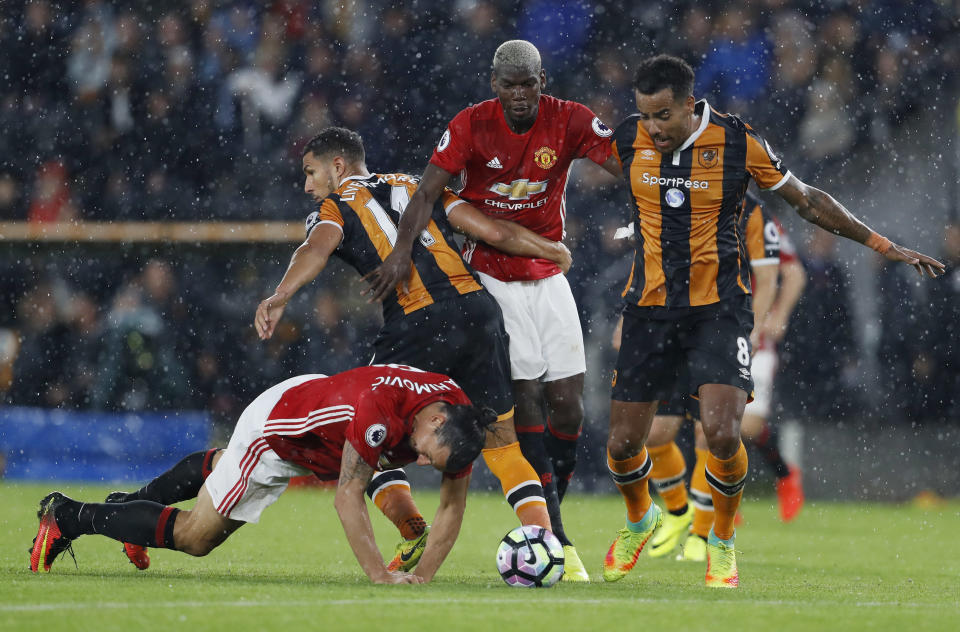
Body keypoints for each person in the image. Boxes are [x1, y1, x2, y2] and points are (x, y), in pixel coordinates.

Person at [602, 54, 944, 589]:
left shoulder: (739, 143)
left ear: (690, 106)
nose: (653, 128)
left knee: (720, 433)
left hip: (719, 311)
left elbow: (807, 201)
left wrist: (880, 242)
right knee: (623, 447)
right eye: (645, 116)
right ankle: (641, 516)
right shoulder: (628, 140)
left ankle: (720, 537)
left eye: (663, 116)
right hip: (648, 311)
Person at [254, 127, 570, 574]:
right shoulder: (416, 187)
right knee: (501, 442)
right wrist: (550, 249)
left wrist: (280, 295)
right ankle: (548, 547)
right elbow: (492, 230)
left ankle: (411, 527)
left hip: (418, 323)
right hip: (479, 311)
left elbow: (316, 247)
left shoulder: (335, 206)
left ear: (337, 167)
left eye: (310, 172)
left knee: (364, 433)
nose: (307, 185)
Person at [363, 40, 623, 582]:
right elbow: (427, 190)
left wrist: (664, 186)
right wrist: (402, 251)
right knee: (525, 399)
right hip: (492, 278)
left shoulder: (571, 119)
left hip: (550, 277)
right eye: (511, 84)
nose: (521, 93)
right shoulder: (470, 126)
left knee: (569, 406)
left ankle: (553, 508)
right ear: (494, 84)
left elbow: (624, 161)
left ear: (542, 80)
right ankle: (554, 533)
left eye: (529, 83)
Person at [30, 364, 494, 583]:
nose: (429, 465)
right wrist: (380, 576)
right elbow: (346, 497)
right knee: (196, 537)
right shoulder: (381, 415)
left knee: (220, 467)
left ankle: (131, 512)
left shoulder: (459, 420)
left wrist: (424, 579)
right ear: (433, 422)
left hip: (318, 417)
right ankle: (68, 516)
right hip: (277, 432)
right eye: (433, 454)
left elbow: (453, 508)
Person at [641, 194, 808, 566]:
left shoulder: (759, 218)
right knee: (669, 431)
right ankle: (705, 508)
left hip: (748, 340)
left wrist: (774, 316)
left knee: (735, 427)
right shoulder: (691, 206)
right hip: (696, 334)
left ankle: (720, 518)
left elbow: (792, 272)